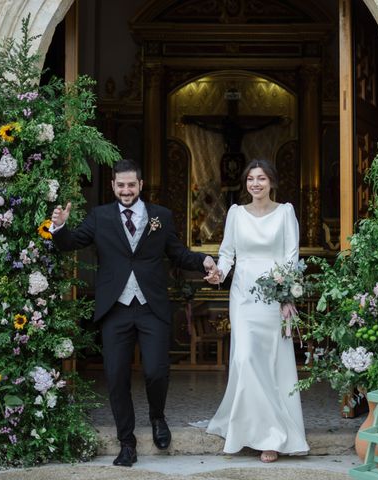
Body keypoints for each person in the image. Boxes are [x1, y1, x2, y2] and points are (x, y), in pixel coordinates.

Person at [50, 159, 218, 467]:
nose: (126, 190)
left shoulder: (161, 216)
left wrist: (204, 260)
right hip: (116, 309)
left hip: (151, 306)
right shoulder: (99, 217)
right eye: (121, 185)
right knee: (116, 378)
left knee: (156, 372)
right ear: (113, 186)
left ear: (140, 185)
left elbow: (177, 253)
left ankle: (157, 417)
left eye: (131, 185)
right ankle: (126, 443)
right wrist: (59, 226)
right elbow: (71, 243)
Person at [205, 159, 309, 463]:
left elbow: (291, 256)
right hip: (243, 294)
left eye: (261, 178)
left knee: (270, 363)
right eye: (251, 179)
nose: (256, 184)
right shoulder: (236, 214)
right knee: (245, 357)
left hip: (274, 296)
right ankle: (252, 428)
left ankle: (272, 436)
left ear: (271, 182)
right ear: (245, 183)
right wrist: (218, 274)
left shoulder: (285, 212)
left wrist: (287, 294)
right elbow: (227, 254)